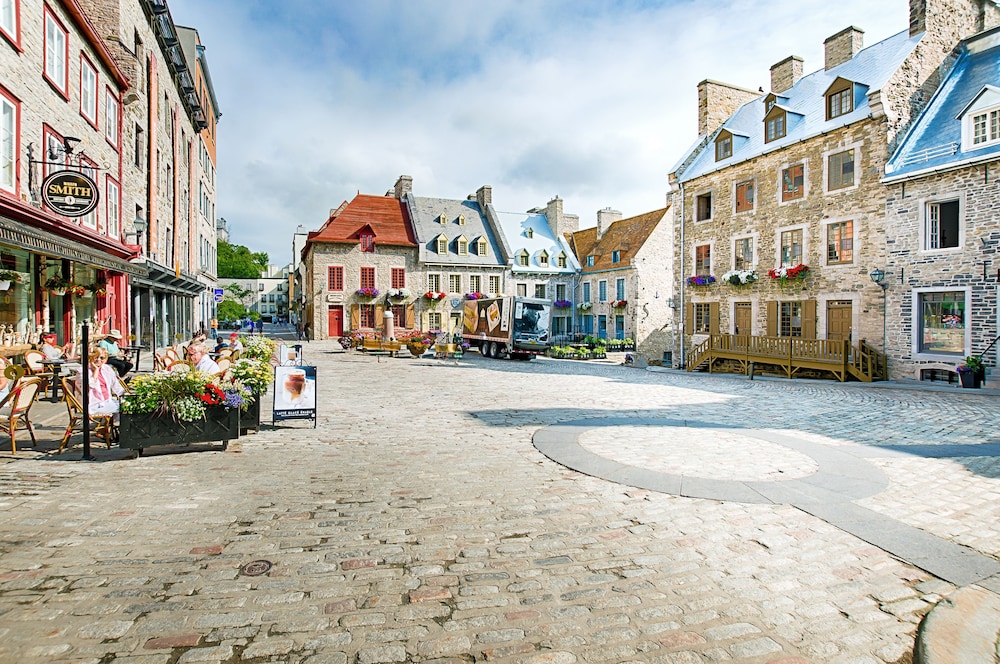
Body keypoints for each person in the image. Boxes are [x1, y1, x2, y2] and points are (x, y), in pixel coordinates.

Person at [75, 348, 125, 420]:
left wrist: (125, 396)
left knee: (129, 406)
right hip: (92, 406)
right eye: (96, 357)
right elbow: (90, 386)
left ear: (105, 359)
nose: (98, 360)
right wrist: (96, 371)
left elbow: (116, 386)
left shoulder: (107, 369)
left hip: (107, 402)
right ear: (90, 358)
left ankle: (118, 427)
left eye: (102, 358)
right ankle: (119, 427)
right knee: (124, 408)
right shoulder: (82, 371)